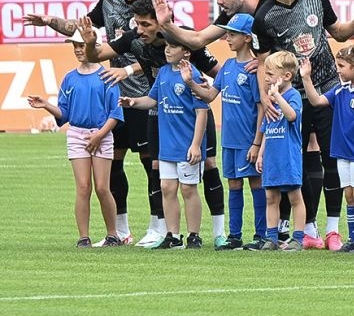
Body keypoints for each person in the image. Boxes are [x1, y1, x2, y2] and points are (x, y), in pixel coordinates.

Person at [251, 0, 354, 249]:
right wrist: (265, 96)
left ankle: (333, 230)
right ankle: (308, 229)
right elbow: (262, 62)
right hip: (293, 96)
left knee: (332, 158)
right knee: (295, 162)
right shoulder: (264, 16)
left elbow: (340, 34)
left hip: (328, 90)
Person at [118, 36, 215, 248]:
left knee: (188, 189)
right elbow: (152, 100)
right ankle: (173, 235)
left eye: (173, 46)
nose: (167, 50)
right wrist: (133, 102)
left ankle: (194, 235)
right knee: (167, 188)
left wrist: (196, 144)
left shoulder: (193, 75)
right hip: (167, 145)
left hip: (187, 145)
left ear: (186, 52)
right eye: (167, 46)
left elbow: (202, 112)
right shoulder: (162, 73)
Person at [26, 33, 122, 247]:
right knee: (83, 187)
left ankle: (112, 234)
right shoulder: (70, 78)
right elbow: (65, 114)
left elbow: (115, 114)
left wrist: (99, 135)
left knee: (102, 188)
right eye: (75, 46)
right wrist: (46, 105)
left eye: (81, 45)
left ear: (94, 46)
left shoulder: (107, 76)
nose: (78, 50)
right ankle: (83, 237)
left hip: (102, 134)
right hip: (77, 135)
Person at [297, 43, 354, 253]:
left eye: (341, 66)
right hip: (342, 154)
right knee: (349, 196)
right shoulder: (340, 90)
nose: (338, 70)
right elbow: (316, 101)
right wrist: (306, 78)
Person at [209, 15, 266, 250]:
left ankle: (261, 235)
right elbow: (210, 94)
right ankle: (234, 235)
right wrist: (191, 84)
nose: (227, 38)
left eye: (232, 34)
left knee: (256, 184)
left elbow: (262, 107)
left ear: (247, 38)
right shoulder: (227, 66)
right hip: (229, 140)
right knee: (233, 185)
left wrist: (256, 143)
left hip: (247, 140)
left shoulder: (254, 69)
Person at [255, 52, 308, 249]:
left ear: (286, 76)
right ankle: (271, 237)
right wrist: (261, 154)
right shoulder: (271, 99)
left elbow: (292, 116)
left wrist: (277, 96)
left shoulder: (293, 96)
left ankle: (298, 238)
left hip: (288, 156)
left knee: (295, 197)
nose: (266, 78)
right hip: (272, 157)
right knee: (271, 197)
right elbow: (267, 129)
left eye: (270, 74)